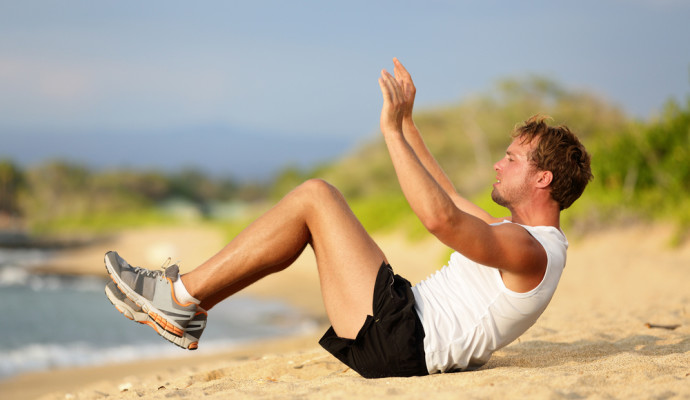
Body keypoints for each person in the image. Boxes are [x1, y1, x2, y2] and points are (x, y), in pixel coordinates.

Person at [104, 58, 593, 378]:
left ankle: (180, 298)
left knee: (317, 196)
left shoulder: (530, 251)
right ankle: (189, 305)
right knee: (310, 209)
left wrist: (390, 136)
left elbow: (441, 220)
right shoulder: (517, 236)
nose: (498, 164)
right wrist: (406, 122)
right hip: (403, 326)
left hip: (403, 338)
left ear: (543, 179)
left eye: (512, 158)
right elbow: (447, 193)